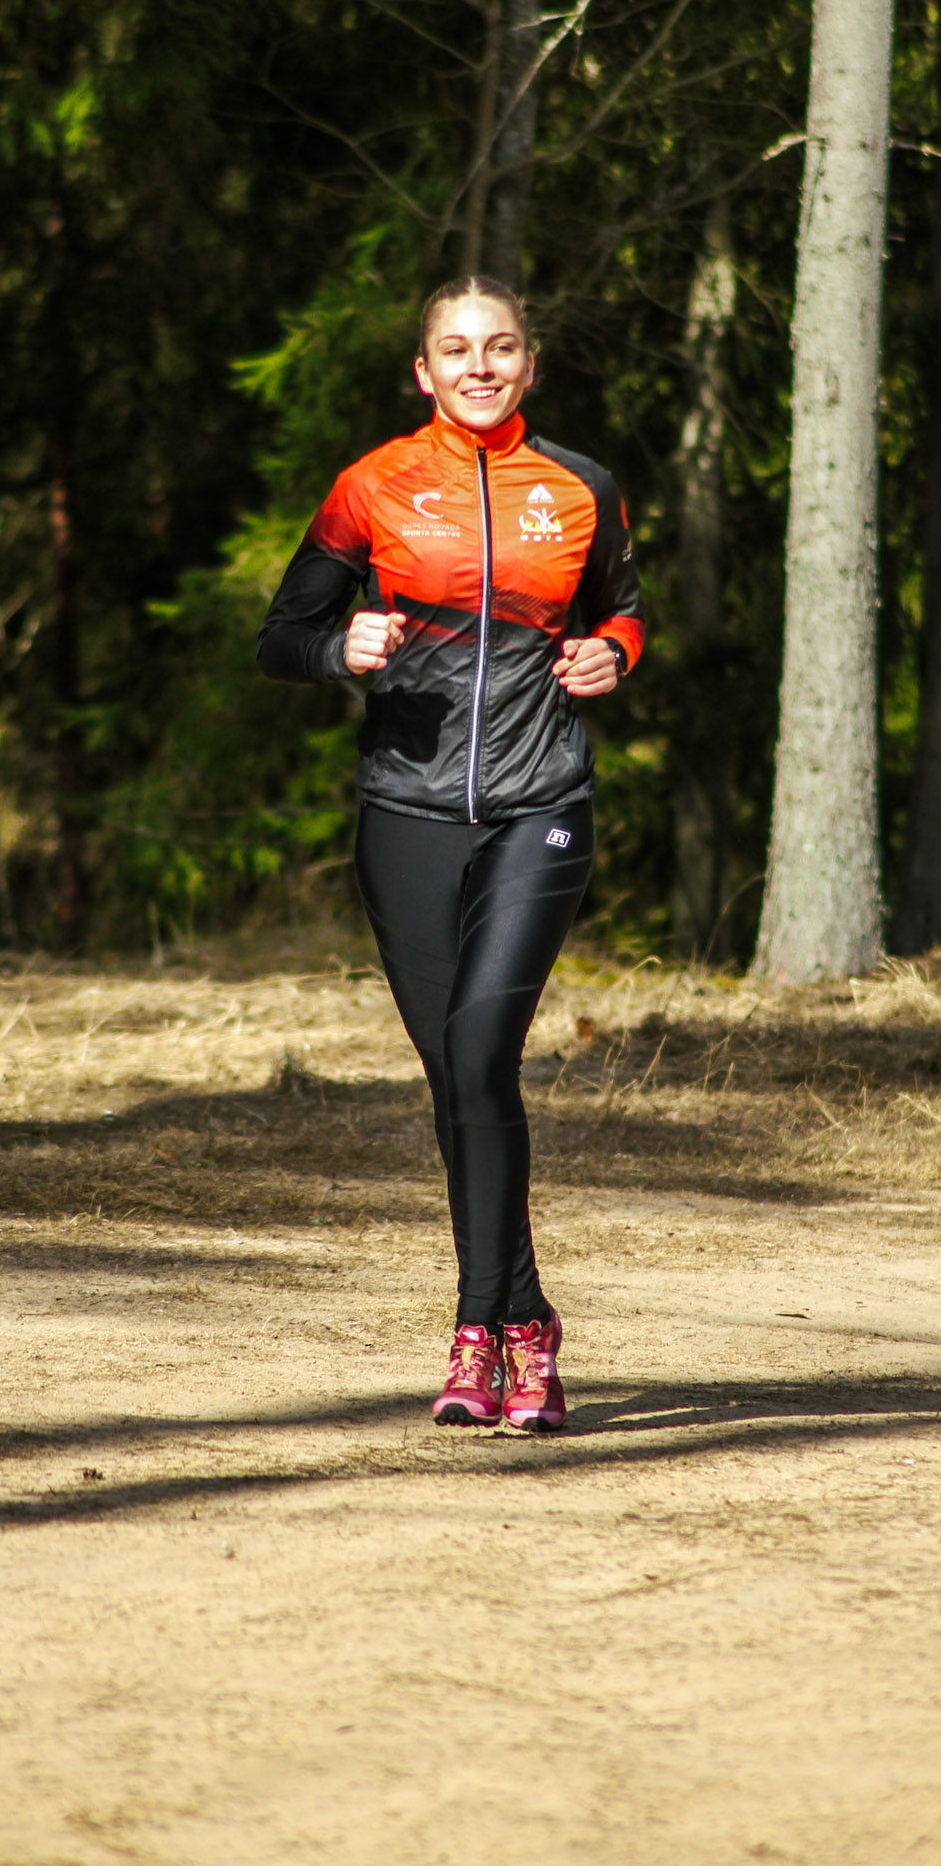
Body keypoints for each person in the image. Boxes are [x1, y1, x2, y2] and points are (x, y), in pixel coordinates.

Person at [257, 274, 644, 1432]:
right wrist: (340, 648)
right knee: (459, 1077)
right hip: (407, 816)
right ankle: (529, 1323)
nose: (481, 365)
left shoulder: (580, 487)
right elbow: (282, 634)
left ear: (530, 363)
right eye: (458, 349)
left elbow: (622, 610)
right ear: (423, 372)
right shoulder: (372, 485)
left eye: (502, 346)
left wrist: (615, 654)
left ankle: (479, 1334)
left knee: (481, 1048)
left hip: (540, 804)